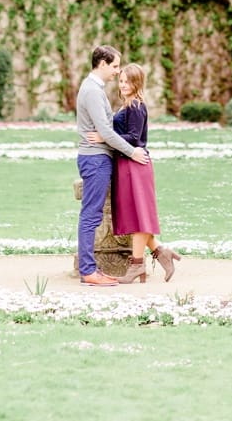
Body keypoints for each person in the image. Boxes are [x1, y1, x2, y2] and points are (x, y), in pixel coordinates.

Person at [75, 44, 149, 287]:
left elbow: (106, 130)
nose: (118, 72)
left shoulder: (94, 88)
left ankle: (92, 269)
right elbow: (105, 130)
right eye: (115, 66)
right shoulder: (93, 91)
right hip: (95, 159)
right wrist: (132, 151)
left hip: (99, 157)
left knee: (93, 214)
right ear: (103, 64)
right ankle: (88, 271)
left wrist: (106, 136)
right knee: (91, 216)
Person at [106, 63, 181, 283]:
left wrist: (105, 137)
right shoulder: (126, 105)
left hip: (135, 166)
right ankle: (160, 252)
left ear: (137, 83)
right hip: (127, 165)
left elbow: (134, 137)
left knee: (139, 218)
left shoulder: (136, 106)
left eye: (128, 81)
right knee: (135, 216)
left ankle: (137, 265)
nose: (123, 85)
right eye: (121, 81)